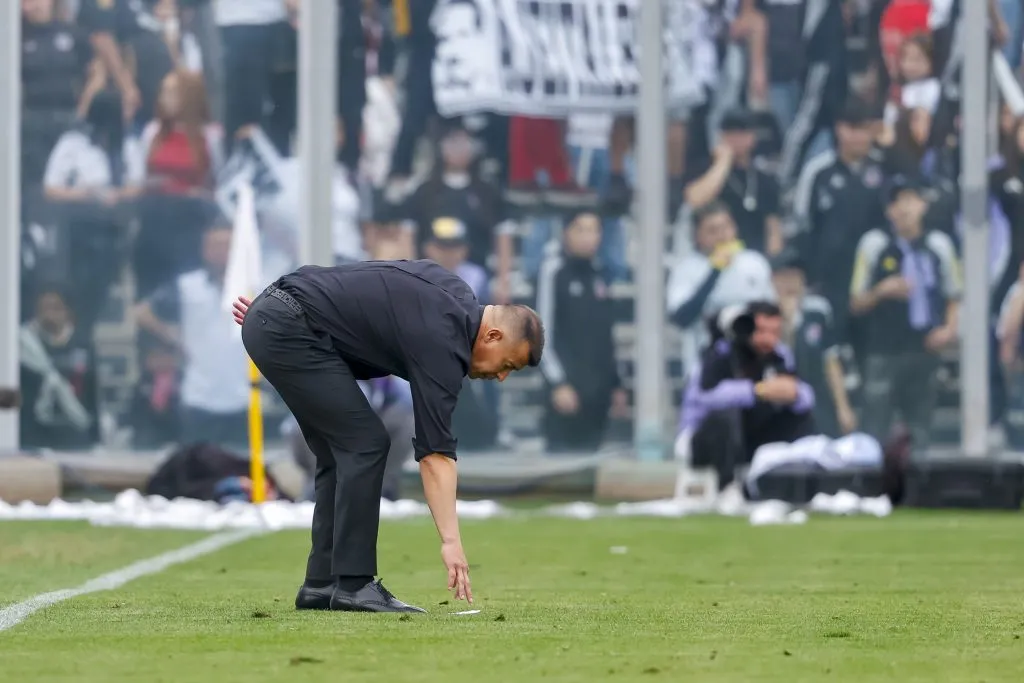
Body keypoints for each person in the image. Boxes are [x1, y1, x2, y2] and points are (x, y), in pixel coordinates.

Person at [232, 259, 545, 613]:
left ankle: (322, 584)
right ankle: (355, 585)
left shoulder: (455, 293)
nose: (501, 377)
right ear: (492, 336)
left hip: (282, 313)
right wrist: (451, 542)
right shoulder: (446, 343)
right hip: (287, 324)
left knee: (343, 450)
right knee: (365, 444)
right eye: (507, 365)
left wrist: (276, 310)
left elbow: (367, 280)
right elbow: (435, 455)